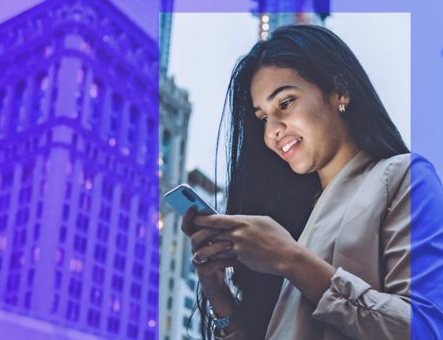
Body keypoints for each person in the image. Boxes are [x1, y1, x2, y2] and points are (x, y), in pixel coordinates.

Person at [181, 24, 443, 340]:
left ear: (340, 90)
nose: (272, 130)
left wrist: (291, 259)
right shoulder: (293, 218)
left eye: (285, 102)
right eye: (263, 117)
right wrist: (220, 297)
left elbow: (426, 329)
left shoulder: (404, 177)